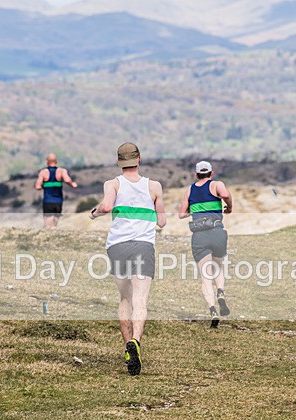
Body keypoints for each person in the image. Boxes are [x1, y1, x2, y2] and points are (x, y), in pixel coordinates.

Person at [89, 142, 167, 376]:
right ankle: (136, 341)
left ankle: (126, 348)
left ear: (118, 162)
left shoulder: (112, 184)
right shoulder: (154, 186)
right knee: (141, 300)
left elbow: (107, 206)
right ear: (139, 159)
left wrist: (94, 214)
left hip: (118, 246)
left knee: (125, 299)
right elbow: (162, 222)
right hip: (143, 246)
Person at [178, 161, 233, 328]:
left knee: (205, 277)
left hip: (199, 236)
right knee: (218, 268)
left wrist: (194, 210)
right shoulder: (216, 184)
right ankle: (221, 293)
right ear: (211, 173)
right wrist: (229, 207)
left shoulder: (190, 189)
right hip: (217, 232)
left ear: (196, 175)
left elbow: (181, 214)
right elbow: (225, 194)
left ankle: (212, 310)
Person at [35, 153, 77, 229]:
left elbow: (37, 186)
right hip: (58, 201)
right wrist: (72, 184)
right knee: (54, 224)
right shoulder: (62, 171)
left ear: (47, 161)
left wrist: (43, 186)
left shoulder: (43, 172)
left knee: (47, 225)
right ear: (56, 161)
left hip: (48, 201)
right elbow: (67, 180)